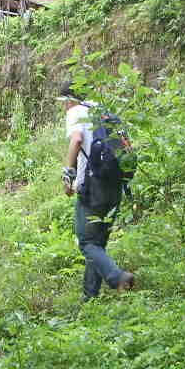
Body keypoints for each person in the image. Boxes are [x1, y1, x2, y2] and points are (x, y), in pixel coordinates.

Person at [59, 82, 135, 299]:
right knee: (97, 243)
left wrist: (68, 174)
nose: (63, 108)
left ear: (69, 100)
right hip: (116, 184)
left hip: (94, 187)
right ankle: (89, 296)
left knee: (86, 243)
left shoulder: (76, 111)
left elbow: (77, 139)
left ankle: (118, 277)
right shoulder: (102, 111)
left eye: (63, 103)